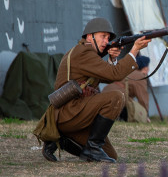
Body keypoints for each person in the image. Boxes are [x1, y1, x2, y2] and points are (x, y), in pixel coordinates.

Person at [39, 18, 150, 163]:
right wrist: (134, 50)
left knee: (111, 155)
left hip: (78, 113)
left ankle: (62, 140)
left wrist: (112, 59)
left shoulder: (87, 53)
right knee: (116, 97)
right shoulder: (83, 52)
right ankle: (92, 148)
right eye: (102, 36)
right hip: (70, 113)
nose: (106, 41)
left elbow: (109, 76)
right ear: (90, 36)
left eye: (108, 38)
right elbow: (114, 74)